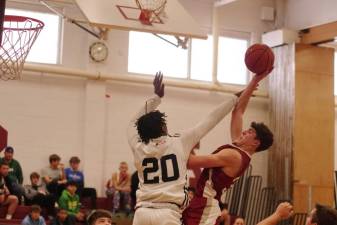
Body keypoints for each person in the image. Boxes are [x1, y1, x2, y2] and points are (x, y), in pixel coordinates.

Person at [127, 72, 240, 225]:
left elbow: (132, 122)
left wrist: (156, 99)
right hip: (168, 213)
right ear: (164, 127)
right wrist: (234, 99)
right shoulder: (180, 141)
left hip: (141, 213)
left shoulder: (137, 145)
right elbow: (210, 120)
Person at [183, 69, 274, 225]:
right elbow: (238, 112)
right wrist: (253, 81)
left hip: (205, 207)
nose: (244, 131)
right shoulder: (239, 150)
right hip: (201, 204)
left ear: (255, 143)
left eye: (250, 132)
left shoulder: (234, 156)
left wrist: (174, 146)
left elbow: (190, 162)